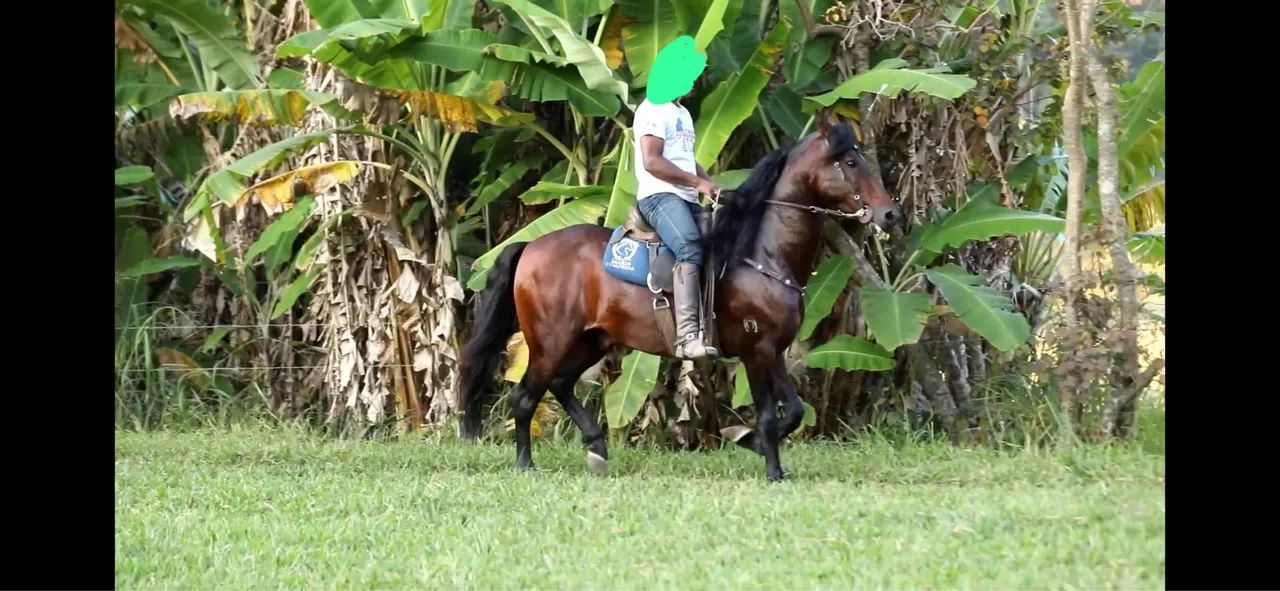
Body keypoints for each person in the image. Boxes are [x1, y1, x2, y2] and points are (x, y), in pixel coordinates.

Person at [633, 36, 722, 360]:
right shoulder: (654, 109)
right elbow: (652, 161)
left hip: (685, 195)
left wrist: (710, 183)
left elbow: (684, 158)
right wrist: (697, 182)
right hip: (660, 196)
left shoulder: (680, 112)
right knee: (689, 246)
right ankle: (686, 338)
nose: (694, 82)